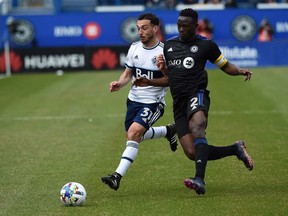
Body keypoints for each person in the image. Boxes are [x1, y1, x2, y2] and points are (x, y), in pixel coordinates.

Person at [155, 8, 254, 195]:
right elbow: (171, 76)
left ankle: (199, 179)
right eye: (179, 25)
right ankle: (235, 149)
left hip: (197, 93)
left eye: (185, 26)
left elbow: (225, 65)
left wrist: (240, 70)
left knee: (198, 126)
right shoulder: (168, 46)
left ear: (195, 26)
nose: (181, 29)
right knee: (192, 153)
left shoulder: (206, 45)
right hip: (178, 102)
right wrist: (163, 68)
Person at [101, 13, 178, 191]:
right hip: (133, 101)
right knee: (135, 136)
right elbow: (128, 73)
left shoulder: (165, 52)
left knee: (134, 134)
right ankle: (168, 131)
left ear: (155, 28)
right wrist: (119, 83)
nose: (140, 32)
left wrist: (161, 71)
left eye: (144, 28)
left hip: (153, 103)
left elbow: (170, 80)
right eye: (138, 28)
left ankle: (116, 176)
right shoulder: (134, 48)